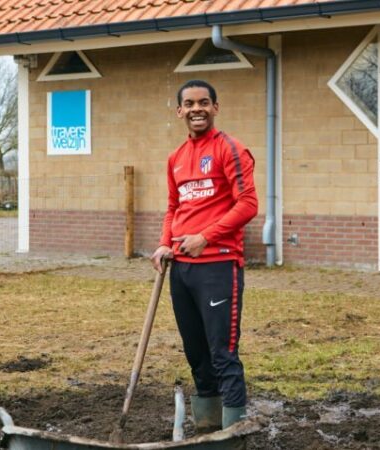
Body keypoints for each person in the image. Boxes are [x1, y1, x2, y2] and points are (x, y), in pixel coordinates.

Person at [150, 79, 258, 433]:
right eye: (189, 104)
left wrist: (205, 237)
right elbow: (172, 206)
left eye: (204, 102)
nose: (197, 108)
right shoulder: (176, 158)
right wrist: (166, 242)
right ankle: (208, 428)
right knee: (196, 354)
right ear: (179, 111)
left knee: (222, 353)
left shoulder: (230, 148)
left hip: (218, 266)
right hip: (180, 270)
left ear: (215, 107)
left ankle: (233, 432)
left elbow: (248, 204)